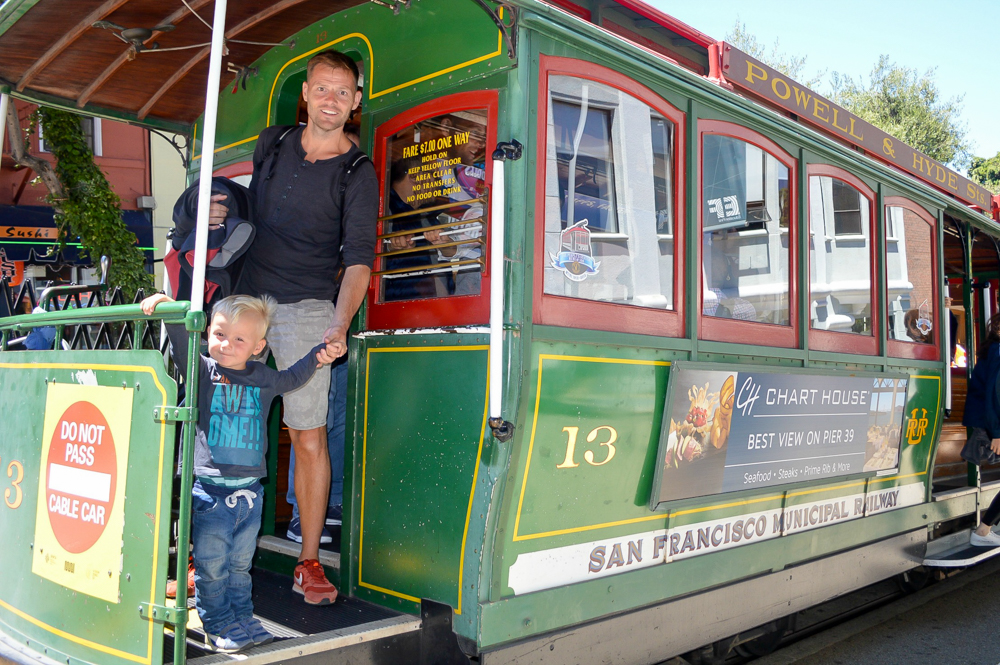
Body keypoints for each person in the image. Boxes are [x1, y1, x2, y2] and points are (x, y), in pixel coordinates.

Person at [210, 49, 378, 604]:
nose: (331, 100)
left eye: (343, 92)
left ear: (355, 102)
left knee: (308, 435)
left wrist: (339, 325)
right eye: (322, 88)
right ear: (305, 94)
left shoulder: (358, 171)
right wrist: (218, 212)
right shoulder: (274, 142)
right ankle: (208, 552)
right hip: (247, 300)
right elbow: (247, 207)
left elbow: (358, 261)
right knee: (228, 427)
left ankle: (308, 561)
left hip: (308, 307)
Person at [141, 292, 337, 650]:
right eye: (219, 334)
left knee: (240, 566)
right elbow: (182, 345)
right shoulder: (203, 372)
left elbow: (293, 376)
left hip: (251, 495)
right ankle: (217, 623)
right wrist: (170, 308)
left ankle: (242, 618)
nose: (226, 345)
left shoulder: (263, 377)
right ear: (208, 334)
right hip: (212, 494)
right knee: (212, 567)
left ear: (258, 347)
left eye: (238, 339)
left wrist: (317, 355)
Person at [965, 313, 1000, 547]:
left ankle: (984, 530)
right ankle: (983, 531)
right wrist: (997, 433)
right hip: (993, 426)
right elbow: (993, 395)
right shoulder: (997, 352)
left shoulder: (993, 350)